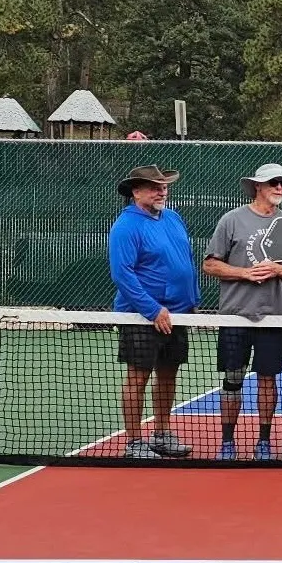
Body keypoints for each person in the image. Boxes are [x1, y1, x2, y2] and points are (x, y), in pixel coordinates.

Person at [202, 163, 282, 461]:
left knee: (267, 379)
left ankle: (263, 441)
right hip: (235, 315)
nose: (279, 188)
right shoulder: (232, 220)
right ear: (257, 186)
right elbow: (210, 264)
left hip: (274, 316)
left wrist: (279, 270)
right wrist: (245, 273)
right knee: (233, 379)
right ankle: (227, 442)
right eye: (273, 183)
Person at [107, 164, 199, 459]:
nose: (162, 192)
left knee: (168, 374)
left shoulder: (173, 218)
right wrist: (152, 310)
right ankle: (134, 443)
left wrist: (192, 300)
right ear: (136, 192)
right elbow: (123, 274)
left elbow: (185, 259)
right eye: (154, 187)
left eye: (164, 187)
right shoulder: (126, 226)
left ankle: (161, 434)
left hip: (177, 314)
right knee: (138, 377)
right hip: (140, 316)